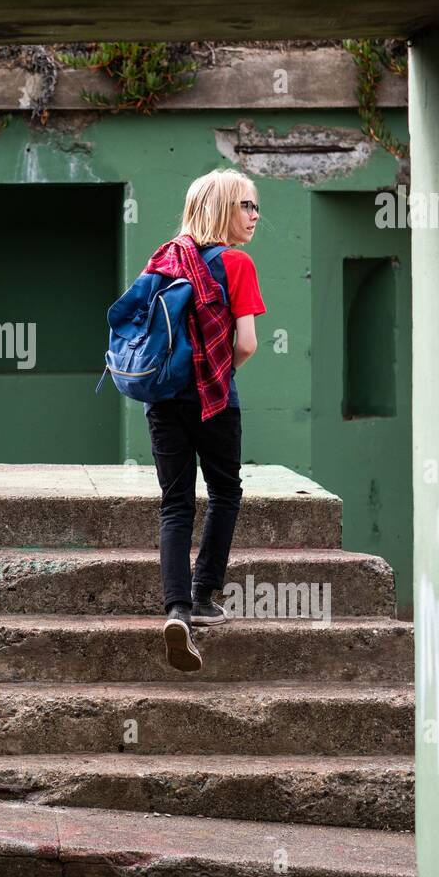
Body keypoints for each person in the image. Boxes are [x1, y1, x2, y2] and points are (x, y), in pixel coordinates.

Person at [141, 169, 267, 673]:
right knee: (224, 491)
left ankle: (177, 612)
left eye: (257, 207)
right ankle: (204, 593)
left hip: (164, 397)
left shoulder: (165, 258)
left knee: (175, 504)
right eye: (246, 206)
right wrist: (215, 376)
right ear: (220, 209)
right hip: (214, 400)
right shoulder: (236, 263)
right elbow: (247, 343)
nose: (255, 216)